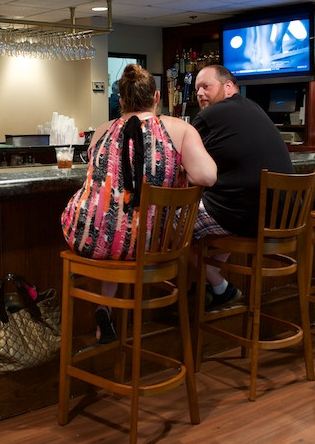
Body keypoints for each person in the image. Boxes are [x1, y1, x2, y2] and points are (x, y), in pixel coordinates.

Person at [61, 63, 218, 343]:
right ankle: (110, 312)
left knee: (118, 225)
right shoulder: (178, 129)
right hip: (152, 245)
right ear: (157, 98)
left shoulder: (101, 131)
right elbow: (207, 175)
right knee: (133, 229)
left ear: (121, 102)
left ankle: (104, 308)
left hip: (90, 238)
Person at [192, 65, 293, 309]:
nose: (200, 94)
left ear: (228, 87)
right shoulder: (253, 107)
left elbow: (181, 154)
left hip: (246, 216)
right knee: (219, 206)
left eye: (206, 86)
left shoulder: (210, 116)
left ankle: (218, 286)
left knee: (169, 225)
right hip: (284, 218)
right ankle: (210, 285)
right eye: (196, 89)